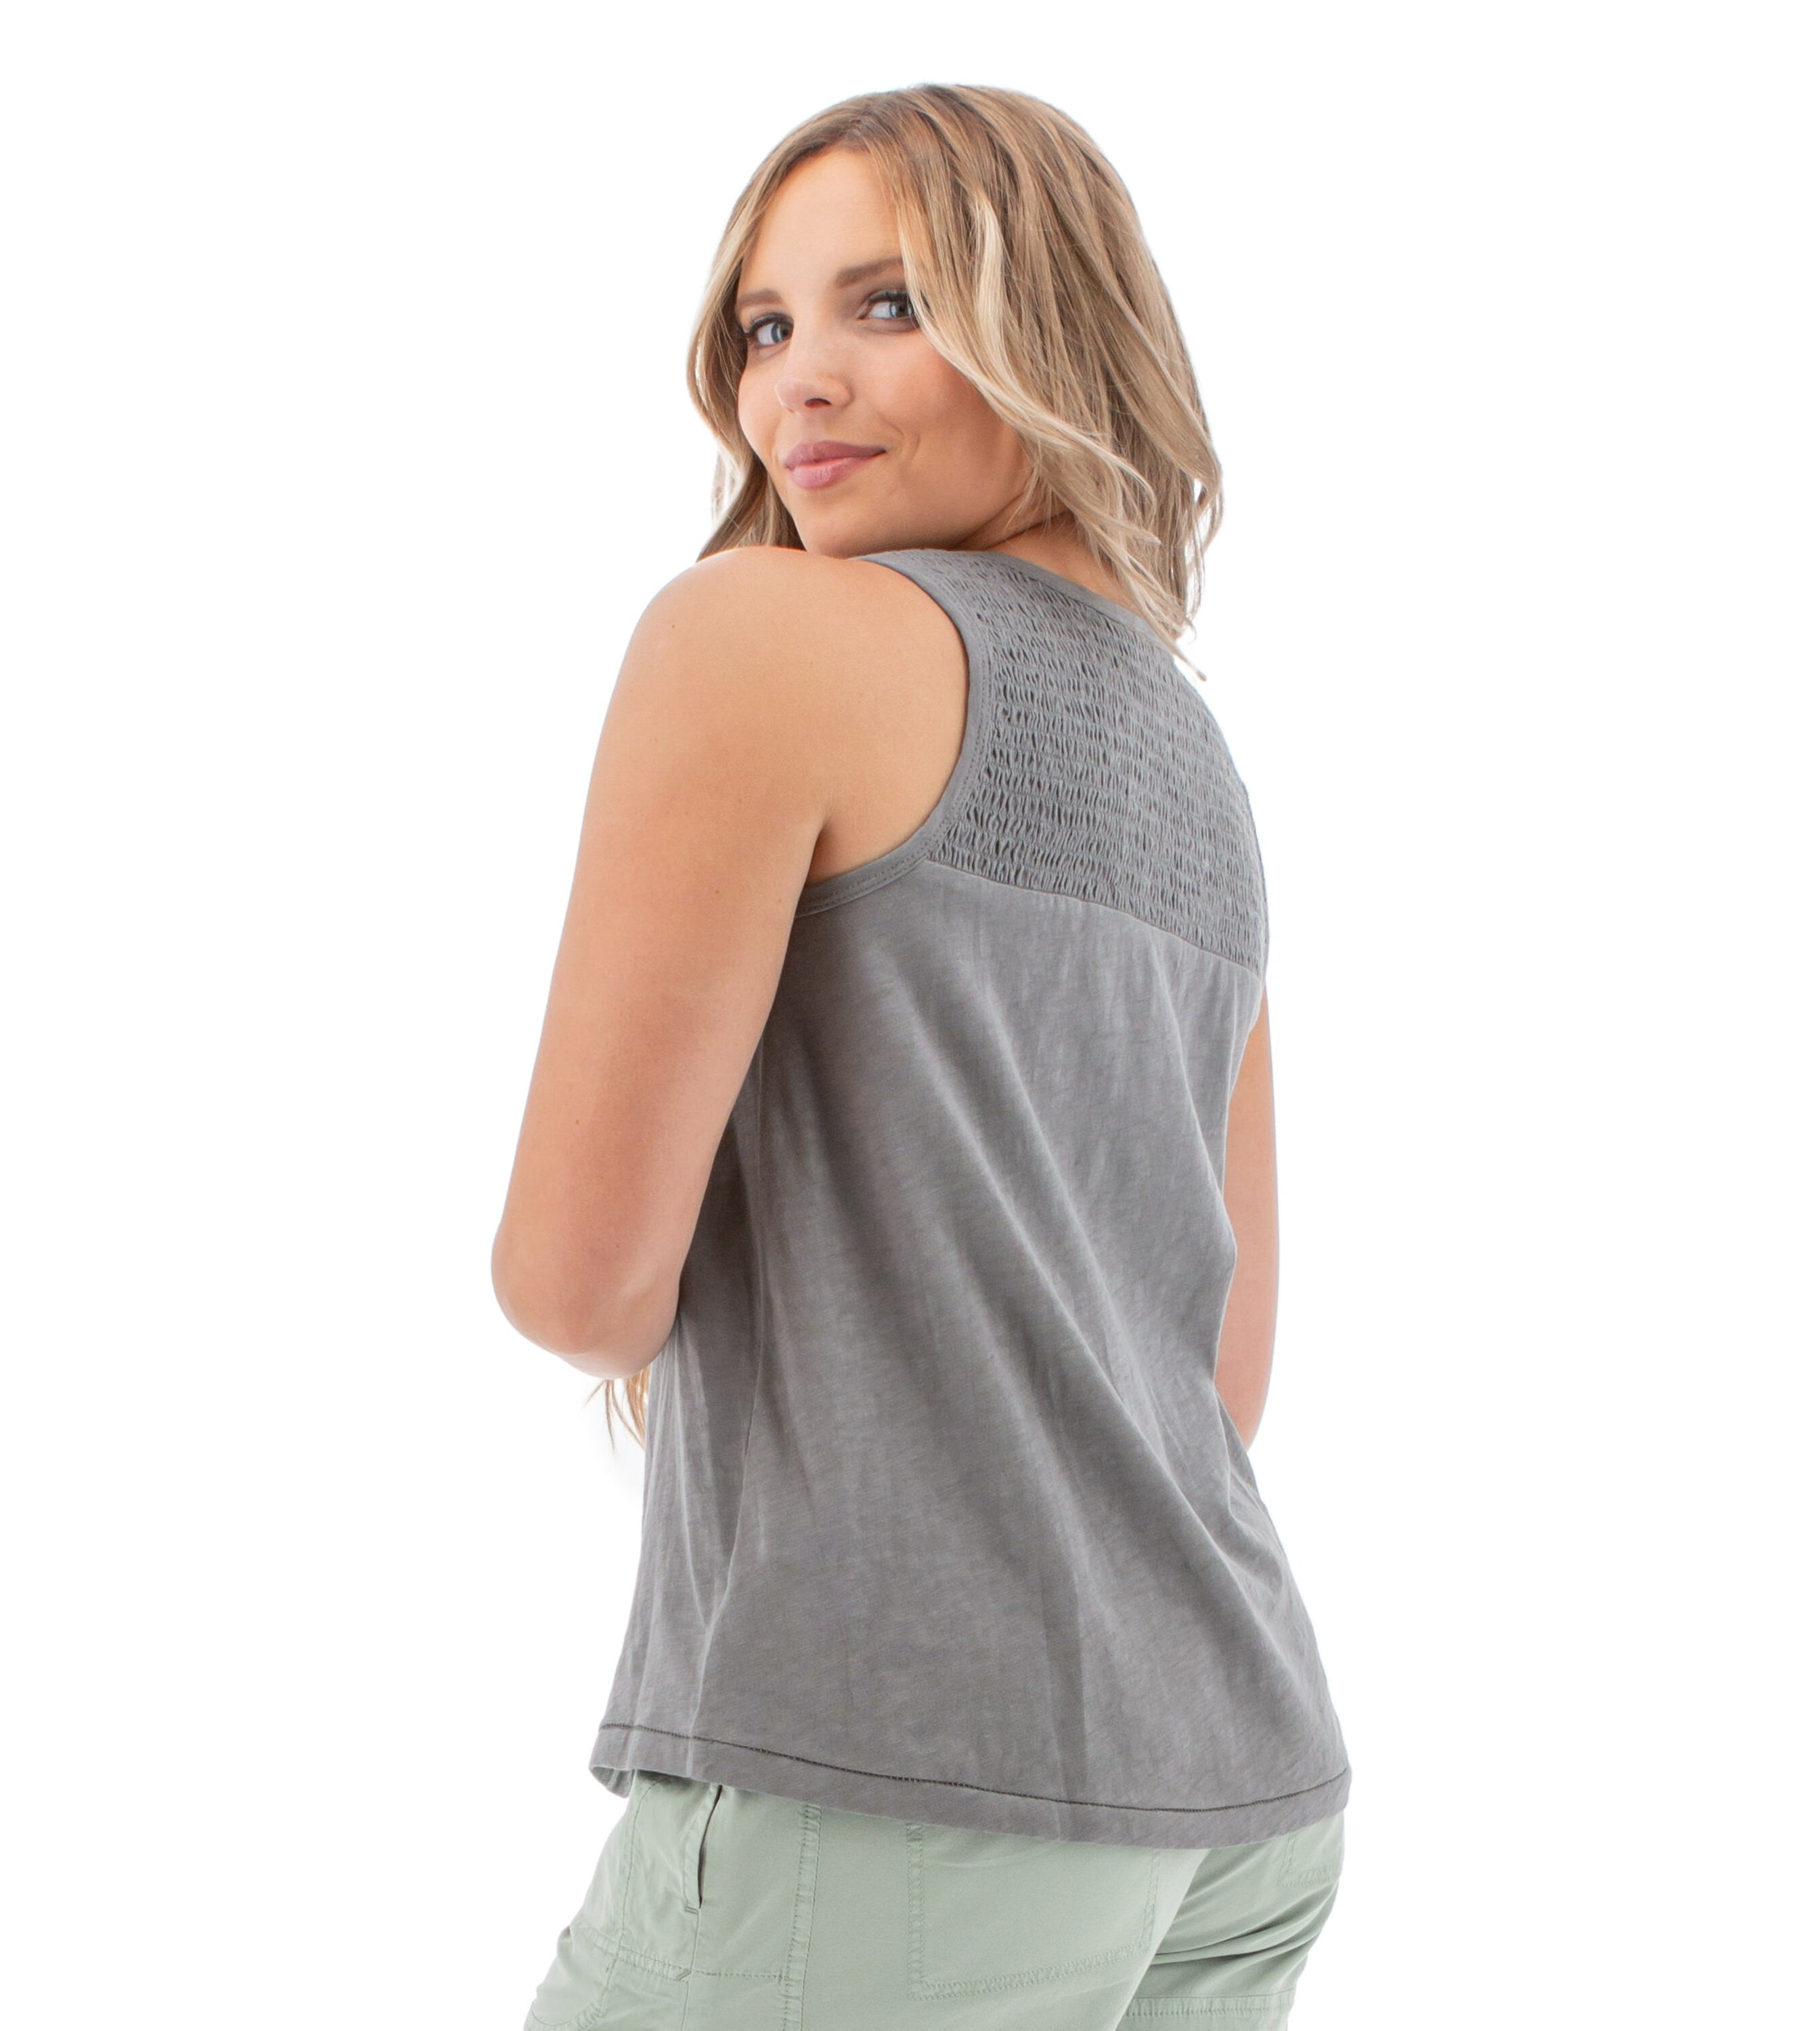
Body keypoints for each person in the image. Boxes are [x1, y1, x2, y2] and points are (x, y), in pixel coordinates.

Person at [492, 83, 1351, 2031]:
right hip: (1234, 1794)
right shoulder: (1198, 765)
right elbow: (1217, 1377)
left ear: (1055, 323)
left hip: (895, 1790)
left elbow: (574, 1283)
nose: (798, 380)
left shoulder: (760, 638)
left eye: (889, 303)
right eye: (763, 324)